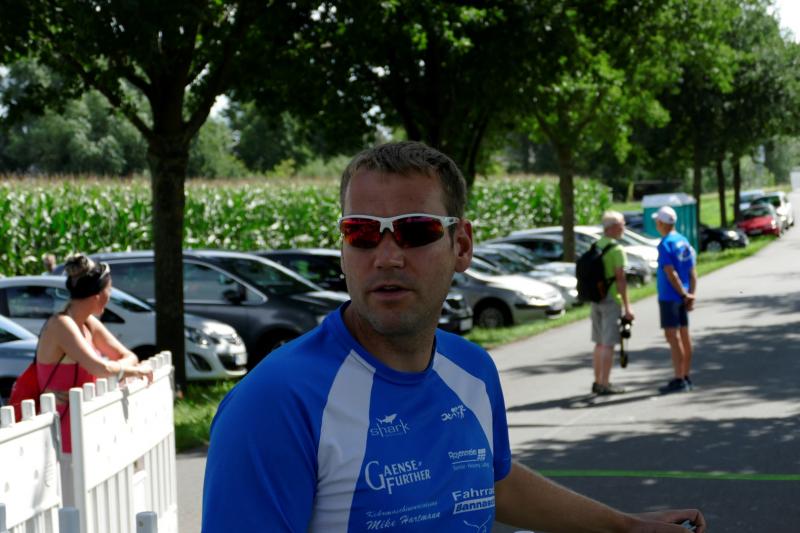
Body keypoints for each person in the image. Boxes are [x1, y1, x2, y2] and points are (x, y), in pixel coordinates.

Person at [202, 142, 706, 532]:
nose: (386, 256)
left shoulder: (472, 370)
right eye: (362, 232)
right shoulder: (274, 403)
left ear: (461, 245)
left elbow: (494, 483)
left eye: (415, 231)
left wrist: (624, 527)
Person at [36, 253, 153, 452]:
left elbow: (129, 356)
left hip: (87, 428)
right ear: (97, 295)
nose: (111, 296)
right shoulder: (61, 324)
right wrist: (135, 371)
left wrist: (115, 369)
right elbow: (99, 368)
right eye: (110, 290)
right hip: (61, 436)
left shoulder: (88, 323)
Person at [652, 206, 698, 394]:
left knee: (673, 337)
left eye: (657, 221)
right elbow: (692, 271)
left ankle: (679, 378)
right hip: (683, 295)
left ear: (661, 223)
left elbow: (671, 273)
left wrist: (683, 294)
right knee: (684, 335)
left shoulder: (665, 244)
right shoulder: (683, 241)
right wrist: (691, 294)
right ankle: (686, 375)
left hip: (670, 297)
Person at [590, 211, 634, 395]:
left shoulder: (596, 245)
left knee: (599, 343)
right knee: (608, 344)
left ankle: (597, 381)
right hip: (610, 300)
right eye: (622, 224)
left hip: (595, 299)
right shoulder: (617, 250)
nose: (624, 227)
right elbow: (621, 280)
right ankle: (605, 384)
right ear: (613, 227)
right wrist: (627, 307)